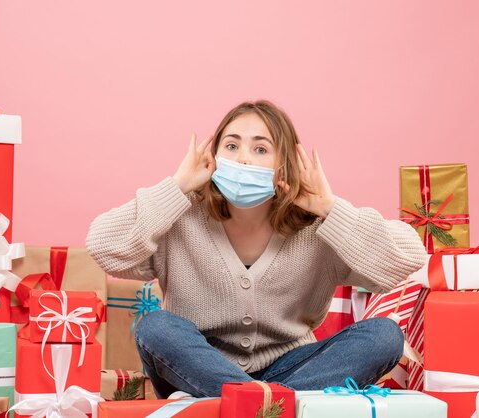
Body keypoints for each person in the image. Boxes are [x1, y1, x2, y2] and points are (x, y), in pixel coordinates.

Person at [86, 100, 426, 399]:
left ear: (285, 163)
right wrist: (176, 188)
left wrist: (329, 207)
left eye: (260, 149)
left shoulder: (316, 228)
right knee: (156, 327)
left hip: (294, 370)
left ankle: (253, 408)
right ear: (213, 156)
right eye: (231, 146)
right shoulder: (180, 215)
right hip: (198, 367)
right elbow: (104, 247)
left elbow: (404, 260)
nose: (243, 159)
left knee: (384, 335)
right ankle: (275, 409)